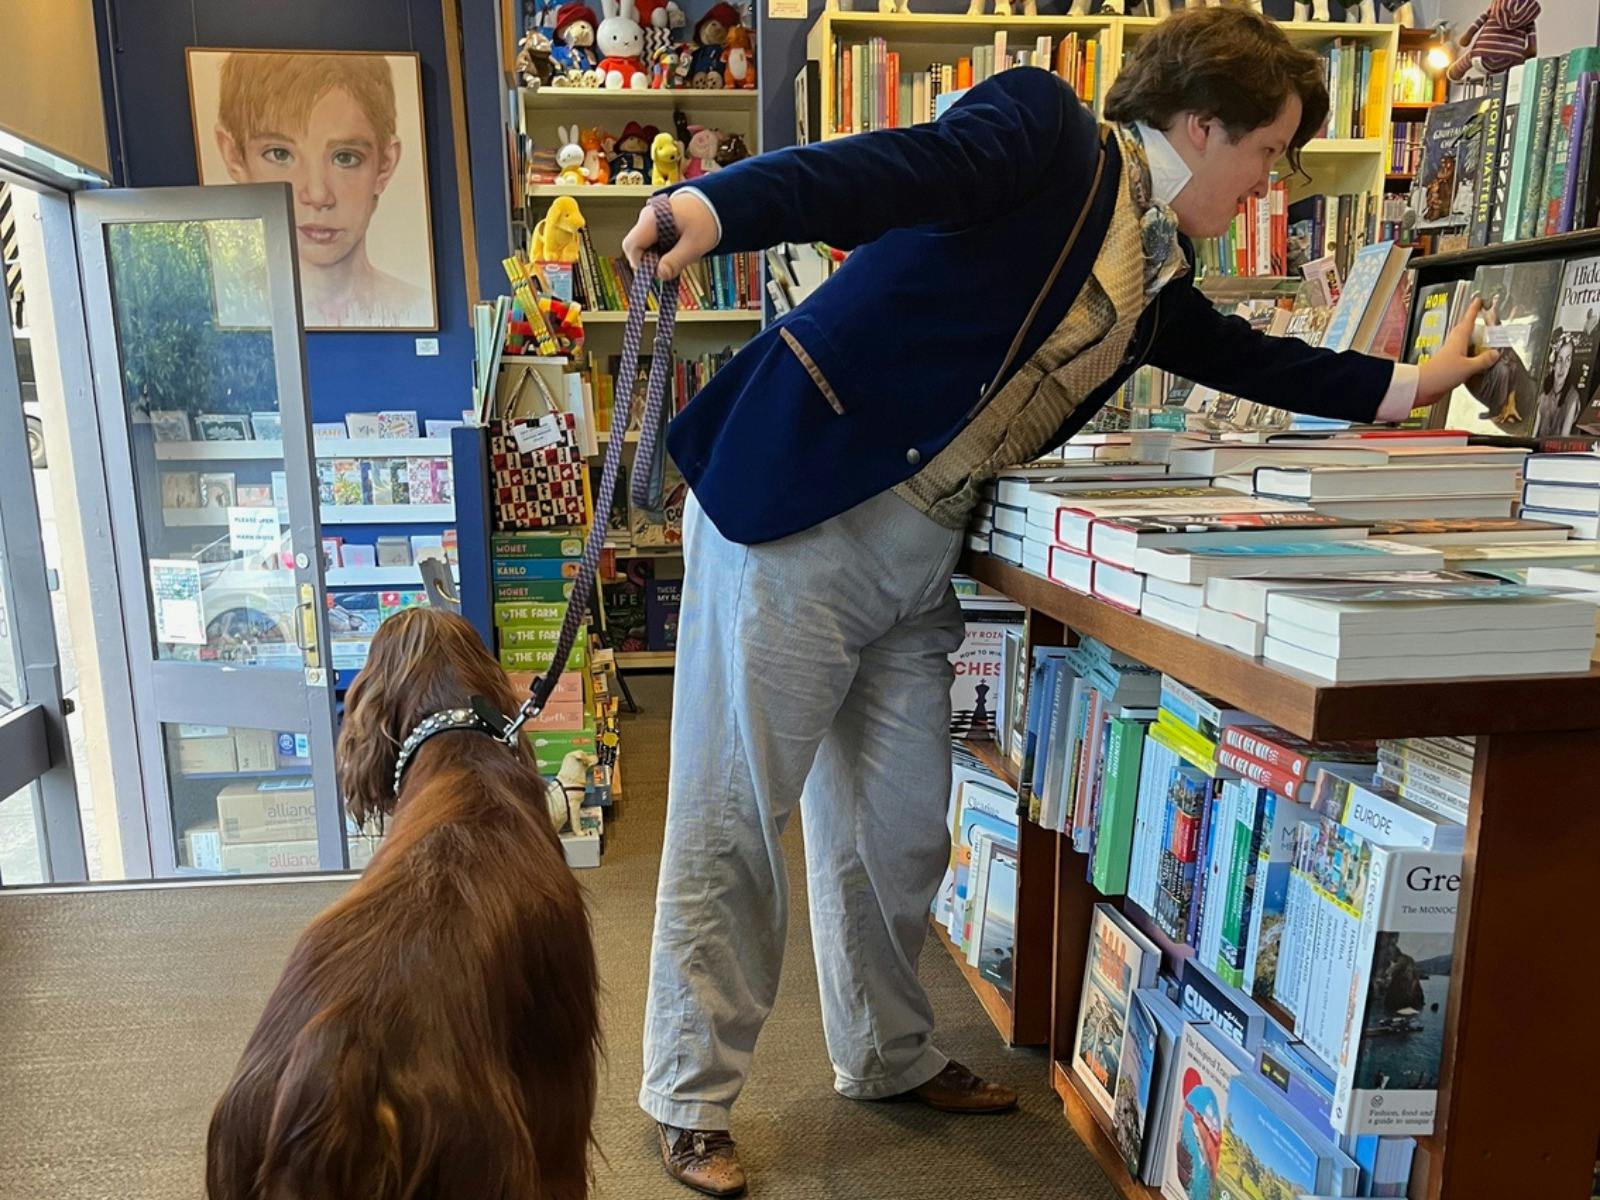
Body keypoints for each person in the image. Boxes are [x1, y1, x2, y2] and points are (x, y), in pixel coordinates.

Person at [622, 9, 1497, 1196]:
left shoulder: (1155, 278)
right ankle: (686, 1095)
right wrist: (719, 209)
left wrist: (1412, 384)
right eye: (1266, 152)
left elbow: (1258, 361)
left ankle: (885, 1053)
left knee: (896, 832)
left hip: (917, 554)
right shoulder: (1042, 128)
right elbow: (883, 172)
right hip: (798, 508)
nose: (1268, 185)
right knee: (736, 819)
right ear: (1200, 124)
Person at [213, 52, 430, 329]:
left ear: (385, 164)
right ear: (234, 156)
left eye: (345, 158)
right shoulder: (227, 309)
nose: (317, 195)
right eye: (279, 154)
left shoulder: (413, 306)